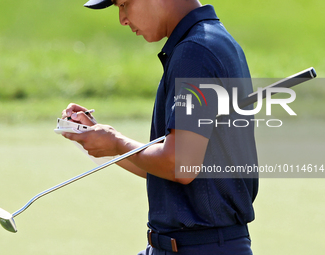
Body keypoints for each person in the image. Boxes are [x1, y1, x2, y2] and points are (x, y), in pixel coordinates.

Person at [61, 0, 258, 254]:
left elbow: (179, 164)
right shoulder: (209, 42)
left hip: (203, 246)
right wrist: (106, 142)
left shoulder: (195, 52)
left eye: (124, 4)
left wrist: (117, 142)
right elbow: (167, 168)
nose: (122, 19)